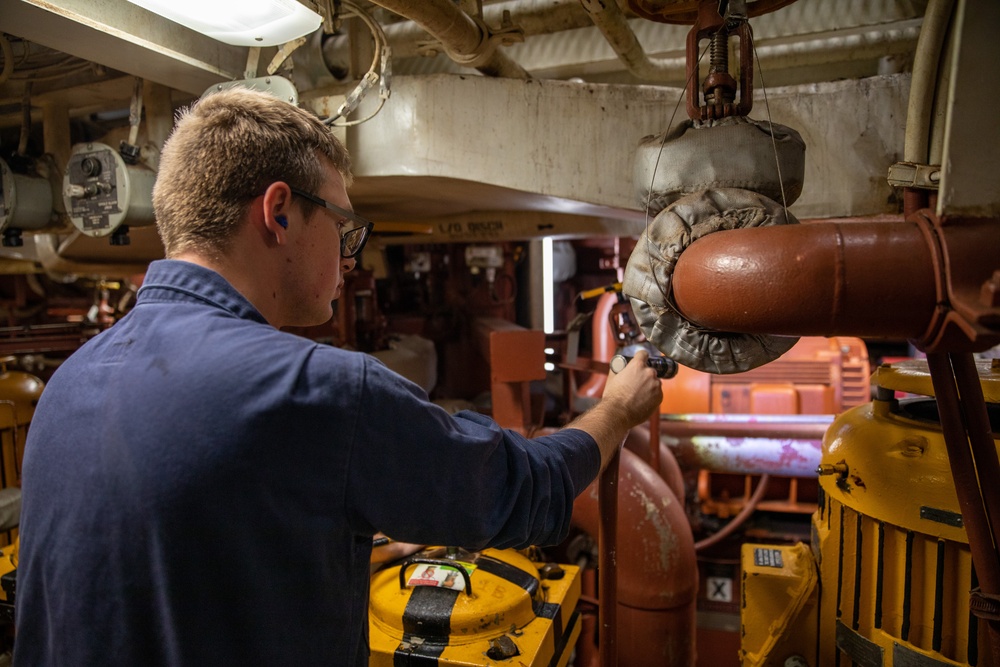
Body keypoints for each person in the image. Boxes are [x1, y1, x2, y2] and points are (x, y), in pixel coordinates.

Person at [14, 87, 663, 665]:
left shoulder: (66, 386)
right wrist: (618, 409)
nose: (350, 257)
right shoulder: (316, 391)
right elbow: (527, 491)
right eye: (344, 225)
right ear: (279, 213)